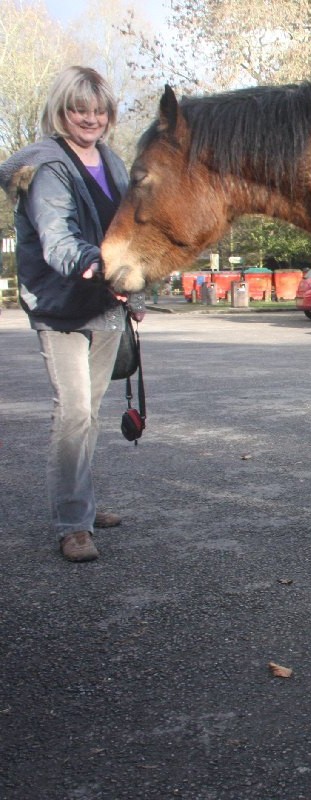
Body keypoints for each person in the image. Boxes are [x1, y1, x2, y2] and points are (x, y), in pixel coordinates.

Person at [0, 66, 140, 562]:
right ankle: (72, 523)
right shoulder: (46, 165)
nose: (91, 118)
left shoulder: (112, 162)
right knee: (74, 411)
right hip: (61, 307)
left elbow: (130, 235)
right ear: (61, 111)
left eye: (99, 110)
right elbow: (58, 236)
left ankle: (81, 501)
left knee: (91, 412)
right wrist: (92, 263)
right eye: (80, 109)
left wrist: (134, 294)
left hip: (103, 305)